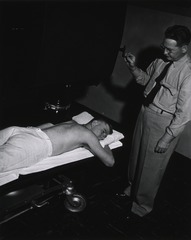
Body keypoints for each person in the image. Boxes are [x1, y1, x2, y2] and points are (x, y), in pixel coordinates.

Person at [117, 25, 191, 217]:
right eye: (164, 47)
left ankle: (141, 206)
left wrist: (167, 138)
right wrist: (133, 67)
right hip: (145, 112)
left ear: (184, 49)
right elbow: (145, 81)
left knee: (152, 166)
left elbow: (184, 113)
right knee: (136, 155)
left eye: (170, 50)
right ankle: (132, 188)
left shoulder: (188, 74)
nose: (165, 52)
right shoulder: (160, 61)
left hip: (164, 121)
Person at [0, 118, 115, 172]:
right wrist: (106, 143)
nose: (104, 136)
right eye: (103, 131)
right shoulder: (88, 135)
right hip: (37, 144)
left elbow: (48, 124)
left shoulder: (72, 123)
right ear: (95, 122)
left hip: (24, 131)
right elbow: (110, 162)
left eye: (105, 136)